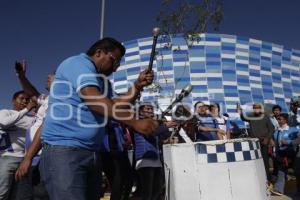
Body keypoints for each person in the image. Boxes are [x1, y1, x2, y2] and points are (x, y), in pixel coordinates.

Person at [33, 37, 157, 200]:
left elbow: (114, 104)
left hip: (91, 152)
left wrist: (137, 85)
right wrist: (135, 122)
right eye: (114, 61)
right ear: (99, 53)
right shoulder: (78, 64)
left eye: (118, 64)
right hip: (65, 151)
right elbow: (93, 99)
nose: (115, 67)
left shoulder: (102, 82)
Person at [14, 61, 54, 199]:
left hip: (42, 159)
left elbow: (45, 127)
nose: (48, 76)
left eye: (53, 76)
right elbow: (32, 93)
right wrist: (21, 77)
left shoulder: (61, 101)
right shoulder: (46, 99)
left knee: (39, 195)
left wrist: (28, 158)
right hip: (31, 159)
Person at [0, 91, 36, 200]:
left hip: (26, 160)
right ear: (13, 101)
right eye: (22, 98)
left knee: (20, 195)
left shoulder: (31, 118)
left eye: (27, 99)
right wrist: (27, 109)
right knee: (2, 193)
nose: (25, 101)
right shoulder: (6, 112)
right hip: (7, 157)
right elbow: (4, 123)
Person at [133, 103, 171, 200]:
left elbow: (164, 136)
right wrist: (165, 125)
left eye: (152, 109)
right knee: (147, 190)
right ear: (141, 111)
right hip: (145, 158)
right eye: (148, 109)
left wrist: (164, 124)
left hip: (155, 158)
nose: (150, 111)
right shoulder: (138, 122)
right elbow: (151, 132)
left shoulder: (154, 123)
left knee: (158, 188)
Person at [238, 103, 275, 182]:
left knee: (265, 161)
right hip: (254, 142)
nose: (256, 109)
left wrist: (267, 138)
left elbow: (272, 128)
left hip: (263, 142)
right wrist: (240, 110)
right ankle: (258, 179)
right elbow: (243, 118)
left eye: (258, 108)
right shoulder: (251, 117)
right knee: (255, 160)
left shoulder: (265, 117)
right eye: (255, 108)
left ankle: (268, 180)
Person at [271, 113, 299, 196]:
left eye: (280, 119)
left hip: (293, 154)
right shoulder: (277, 132)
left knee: (297, 172)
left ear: (285, 120)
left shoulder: (294, 130)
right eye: (278, 119)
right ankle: (278, 189)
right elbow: (274, 142)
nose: (278, 120)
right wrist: (275, 151)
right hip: (282, 155)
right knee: (281, 171)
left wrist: (288, 142)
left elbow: (299, 139)